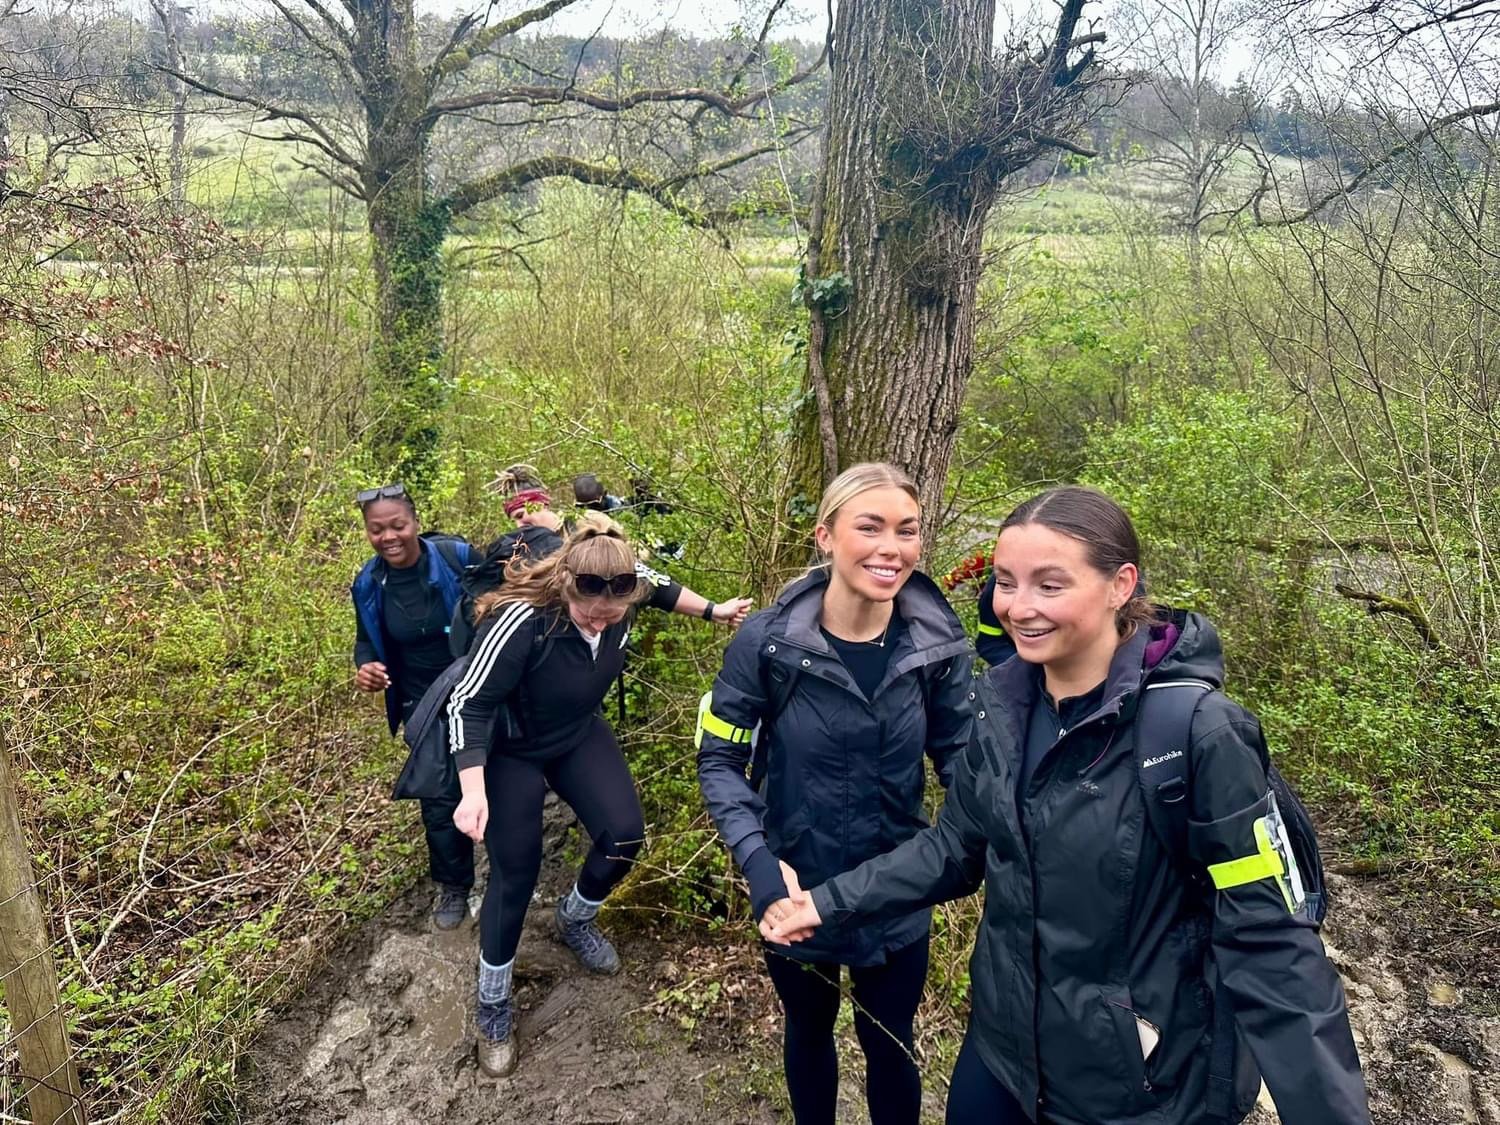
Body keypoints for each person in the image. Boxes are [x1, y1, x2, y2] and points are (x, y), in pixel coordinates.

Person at [767, 486, 1371, 1125]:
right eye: (1005, 583)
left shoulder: (1197, 736)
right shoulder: (1001, 708)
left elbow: (1271, 941)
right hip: (1002, 1059)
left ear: (1120, 585)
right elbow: (954, 848)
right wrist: (826, 903)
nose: (1018, 608)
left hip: (1138, 1088)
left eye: (1049, 586)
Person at [696, 463, 975, 1125]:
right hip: (794, 888)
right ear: (825, 535)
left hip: (897, 892)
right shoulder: (767, 643)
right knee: (809, 1031)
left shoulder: (936, 646)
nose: (892, 548)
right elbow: (721, 760)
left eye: (907, 530)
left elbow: (965, 766)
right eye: (870, 527)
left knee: (891, 1045)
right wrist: (761, 865)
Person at [446, 514, 753, 1078]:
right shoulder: (523, 620)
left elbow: (662, 587)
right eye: (587, 613)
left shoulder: (626, 587)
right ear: (567, 584)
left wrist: (715, 611)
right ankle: (492, 1001)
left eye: (610, 616)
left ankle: (574, 919)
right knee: (516, 871)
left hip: (575, 732)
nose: (597, 622)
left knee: (624, 834)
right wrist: (472, 791)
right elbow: (469, 703)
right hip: (513, 749)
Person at [350, 483, 478, 930]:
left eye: (398, 525)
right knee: (438, 798)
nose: (389, 537)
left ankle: (508, 870)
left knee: (496, 781)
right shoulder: (368, 583)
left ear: (416, 523)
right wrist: (367, 667)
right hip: (422, 703)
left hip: (478, 691)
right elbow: (366, 641)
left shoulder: (458, 559)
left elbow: (507, 606)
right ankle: (454, 886)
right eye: (377, 529)